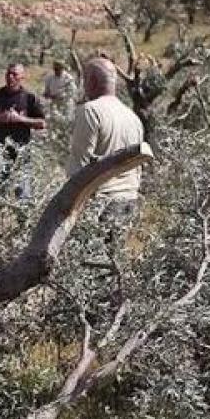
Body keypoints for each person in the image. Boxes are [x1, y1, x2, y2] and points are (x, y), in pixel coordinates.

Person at [66, 57, 144, 268]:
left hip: (100, 204)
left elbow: (80, 166)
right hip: (128, 200)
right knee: (113, 265)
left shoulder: (90, 111)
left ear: (91, 81)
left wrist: (68, 207)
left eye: (84, 80)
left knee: (87, 268)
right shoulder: (132, 117)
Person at [0, 63, 46, 197]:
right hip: (0, 151)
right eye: (8, 73)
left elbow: (41, 123)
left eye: (14, 74)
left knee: (23, 192)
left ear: (22, 77)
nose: (10, 77)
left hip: (22, 151)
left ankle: (23, 210)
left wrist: (20, 119)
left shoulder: (29, 98)